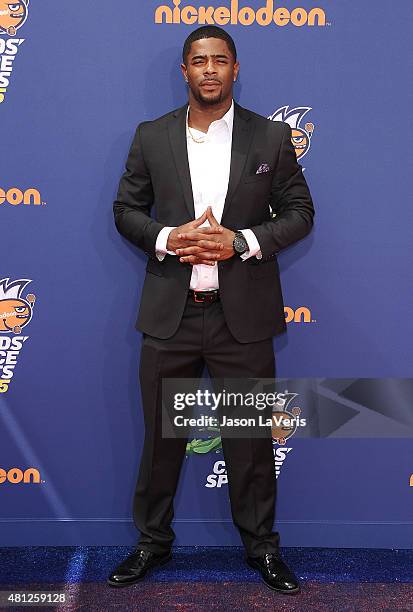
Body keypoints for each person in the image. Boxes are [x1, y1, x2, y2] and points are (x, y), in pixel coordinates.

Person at [108, 25, 314, 594]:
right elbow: (126, 211)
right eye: (198, 61)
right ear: (184, 71)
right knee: (161, 442)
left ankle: (263, 550)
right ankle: (151, 544)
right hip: (170, 314)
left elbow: (300, 213)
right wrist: (169, 238)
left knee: (249, 443)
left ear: (235, 68)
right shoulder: (151, 136)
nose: (209, 70)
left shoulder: (270, 138)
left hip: (240, 318)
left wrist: (240, 241)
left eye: (219, 60)